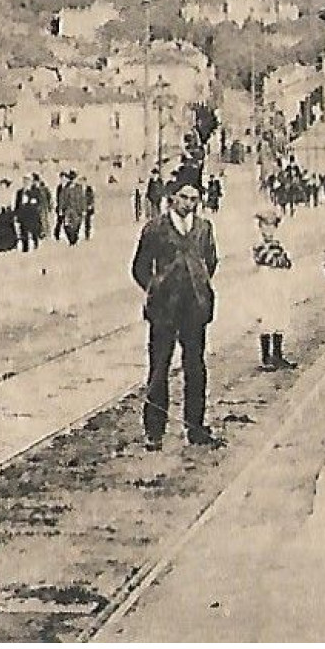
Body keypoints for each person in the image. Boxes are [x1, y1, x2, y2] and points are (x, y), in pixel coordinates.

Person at [131, 176, 222, 449]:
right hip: (163, 310)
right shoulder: (155, 228)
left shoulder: (204, 228)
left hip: (194, 309)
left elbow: (211, 261)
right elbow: (139, 267)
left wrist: (198, 286)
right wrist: (157, 288)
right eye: (183, 197)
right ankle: (154, 431)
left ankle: (195, 428)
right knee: (159, 369)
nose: (189, 203)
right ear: (172, 198)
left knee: (196, 368)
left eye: (194, 199)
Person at [252, 209, 296, 372]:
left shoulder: (278, 244)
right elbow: (268, 259)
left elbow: (287, 262)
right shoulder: (259, 245)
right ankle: (266, 357)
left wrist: (281, 258)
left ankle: (277, 354)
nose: (268, 230)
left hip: (279, 282)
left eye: (271, 227)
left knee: (280, 316)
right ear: (260, 227)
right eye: (265, 226)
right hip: (265, 282)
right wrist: (279, 258)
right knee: (267, 317)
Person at [0, 179, 20, 252]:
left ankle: (10, 245)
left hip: (8, 211)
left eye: (4, 185)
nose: (3, 187)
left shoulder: (9, 193)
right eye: (2, 185)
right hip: (1, 212)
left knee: (9, 228)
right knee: (0, 229)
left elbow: (12, 202)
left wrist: (11, 210)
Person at [56, 171, 85, 246]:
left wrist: (84, 209)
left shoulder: (79, 188)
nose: (73, 180)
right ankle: (71, 240)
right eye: (71, 178)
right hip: (68, 209)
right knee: (67, 225)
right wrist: (60, 209)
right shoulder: (65, 188)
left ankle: (74, 238)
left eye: (74, 178)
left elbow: (82, 198)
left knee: (77, 224)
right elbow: (61, 199)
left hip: (77, 209)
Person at [15, 176, 42, 252]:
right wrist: (17, 215)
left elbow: (39, 203)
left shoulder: (35, 191)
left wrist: (32, 202)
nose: (26, 183)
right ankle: (25, 248)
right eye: (24, 182)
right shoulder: (19, 192)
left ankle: (36, 246)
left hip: (32, 215)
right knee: (23, 232)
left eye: (27, 182)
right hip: (23, 215)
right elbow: (17, 204)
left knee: (34, 232)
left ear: (30, 183)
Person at [81, 175, 96, 241]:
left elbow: (91, 197)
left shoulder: (89, 188)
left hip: (87, 207)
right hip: (81, 207)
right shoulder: (78, 189)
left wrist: (90, 205)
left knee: (87, 222)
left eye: (84, 181)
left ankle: (87, 235)